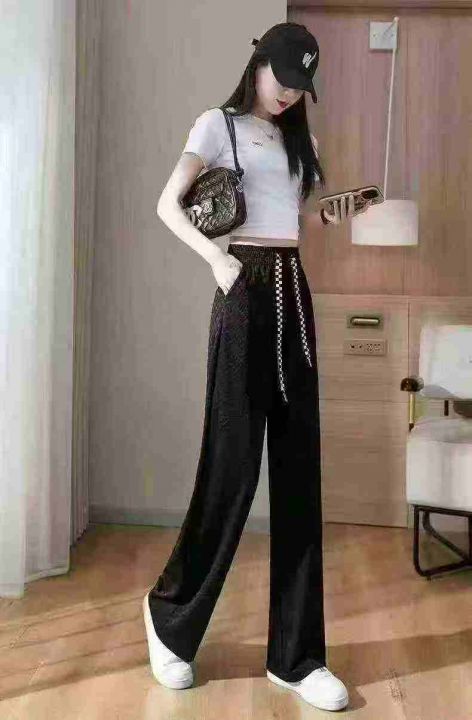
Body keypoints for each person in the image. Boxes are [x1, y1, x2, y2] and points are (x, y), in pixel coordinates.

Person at [143, 22, 372, 712]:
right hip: (242, 290)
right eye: (284, 79)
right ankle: (170, 619)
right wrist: (216, 260)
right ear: (260, 64)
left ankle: (297, 658)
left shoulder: (300, 141)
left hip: (292, 293)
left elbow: (292, 220)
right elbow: (168, 205)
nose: (290, 95)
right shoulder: (216, 126)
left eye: (302, 86)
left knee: (300, 474)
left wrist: (337, 212)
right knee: (231, 469)